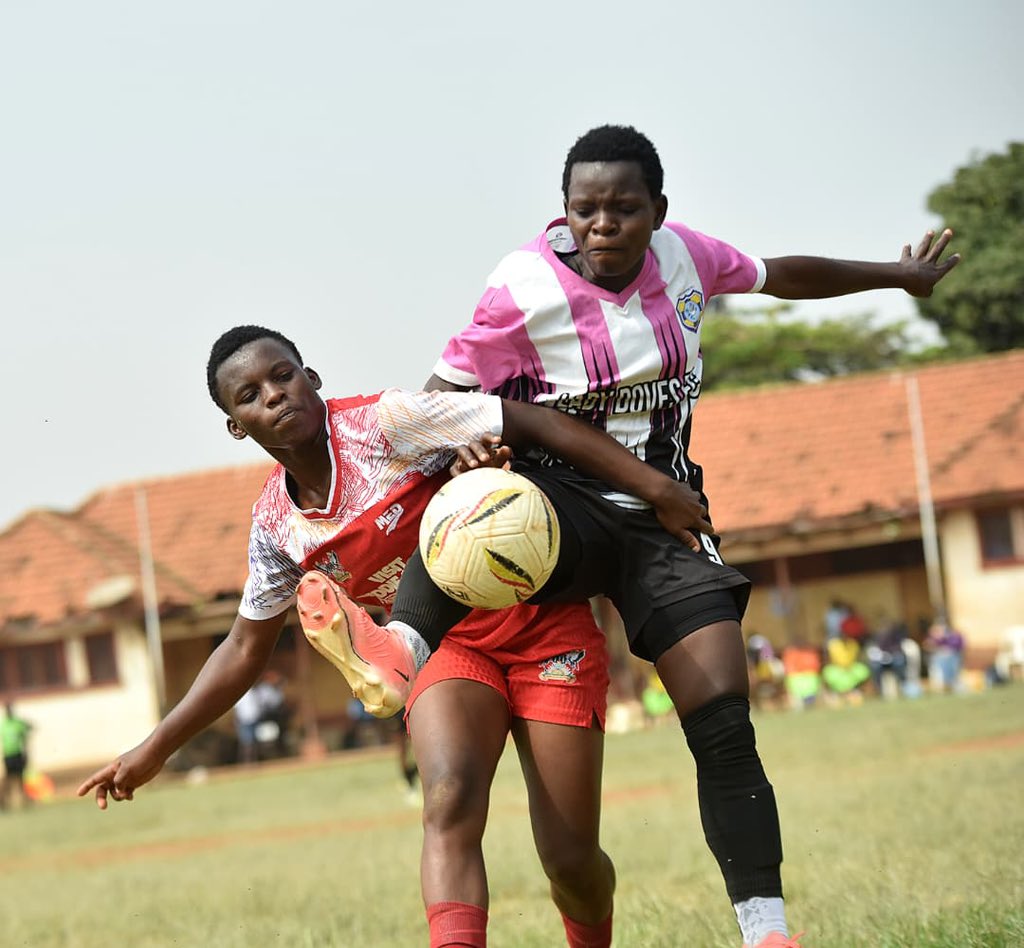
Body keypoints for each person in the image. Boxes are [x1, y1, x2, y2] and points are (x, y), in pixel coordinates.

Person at [410, 124, 959, 947]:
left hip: (665, 519)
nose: (601, 224)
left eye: (623, 208)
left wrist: (897, 276)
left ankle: (766, 929)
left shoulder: (690, 259)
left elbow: (781, 276)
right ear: (563, 212)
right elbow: (434, 402)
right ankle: (401, 643)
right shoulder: (522, 285)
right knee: (470, 518)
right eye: (583, 208)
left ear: (657, 211)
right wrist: (469, 445)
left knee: (724, 714)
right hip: (556, 507)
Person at [77, 325, 709, 948]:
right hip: (437, 649)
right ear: (237, 426)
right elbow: (245, 646)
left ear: (312, 380)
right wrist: (155, 748)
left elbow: (526, 421)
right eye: (249, 396)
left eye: (282, 376)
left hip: (544, 626)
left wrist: (653, 488)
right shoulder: (276, 526)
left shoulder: (386, 423)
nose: (273, 395)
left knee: (570, 860)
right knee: (449, 797)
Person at [1, 703, 33, 810]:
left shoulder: (17, 723)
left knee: (20, 777)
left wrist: (26, 751)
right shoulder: (3, 724)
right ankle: (4, 800)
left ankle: (23, 799)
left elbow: (29, 729)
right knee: (8, 778)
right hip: (8, 754)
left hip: (18, 753)